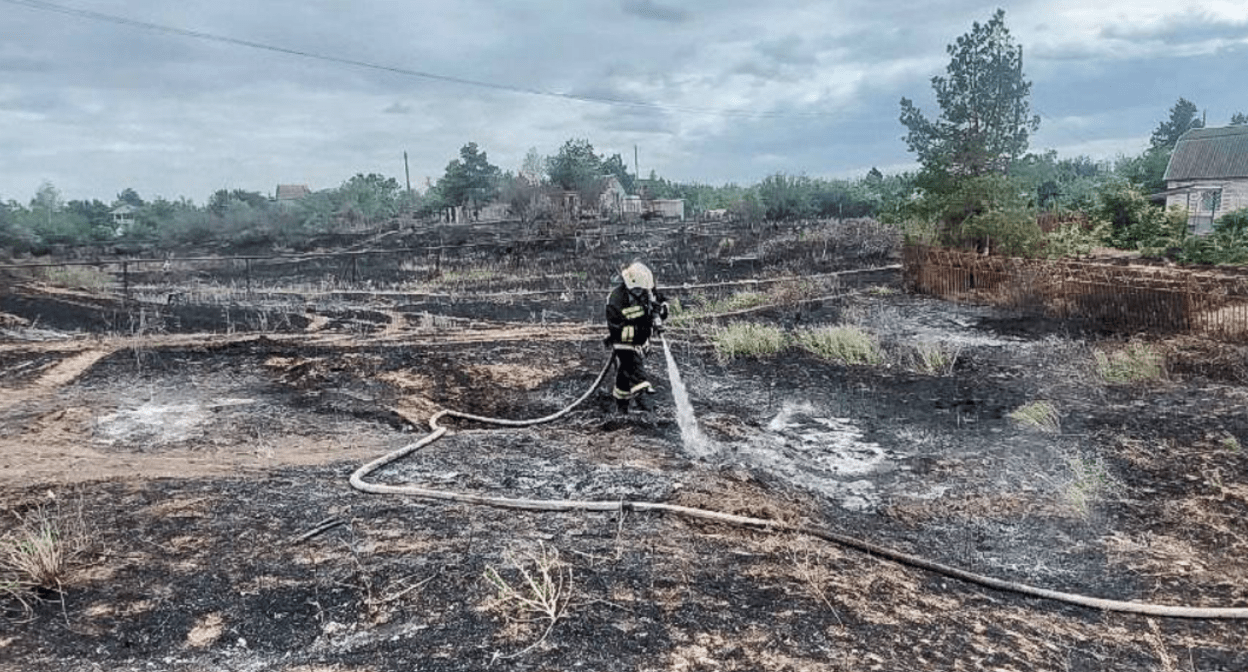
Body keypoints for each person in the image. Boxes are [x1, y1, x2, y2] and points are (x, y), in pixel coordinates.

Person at [605, 261, 670, 414]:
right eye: (639, 290)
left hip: (640, 340)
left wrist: (661, 311)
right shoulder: (615, 299)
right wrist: (644, 323)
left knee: (624, 373)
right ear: (629, 285)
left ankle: (621, 407)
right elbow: (617, 329)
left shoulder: (647, 290)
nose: (643, 293)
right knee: (636, 372)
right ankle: (648, 408)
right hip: (624, 343)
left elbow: (660, 300)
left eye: (644, 290)